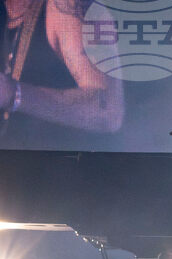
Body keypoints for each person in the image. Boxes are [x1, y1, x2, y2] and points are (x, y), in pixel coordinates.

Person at [0, 0, 123, 149]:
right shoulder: (7, 12)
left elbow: (108, 111)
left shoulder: (66, 5)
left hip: (72, 167)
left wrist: (14, 94)